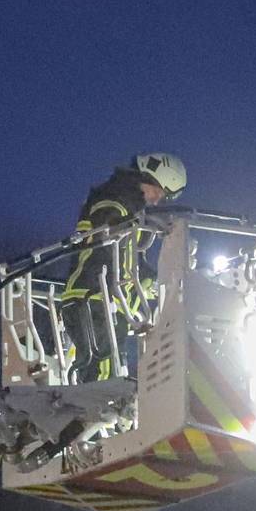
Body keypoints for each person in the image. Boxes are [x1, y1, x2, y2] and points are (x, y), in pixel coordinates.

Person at [58, 152, 188, 382]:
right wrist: (134, 225)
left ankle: (98, 415)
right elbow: (106, 232)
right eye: (157, 192)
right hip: (93, 298)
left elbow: (129, 260)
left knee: (110, 374)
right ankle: (93, 417)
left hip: (103, 302)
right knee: (103, 381)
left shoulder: (130, 209)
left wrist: (152, 281)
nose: (156, 200)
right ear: (147, 179)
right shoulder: (114, 199)